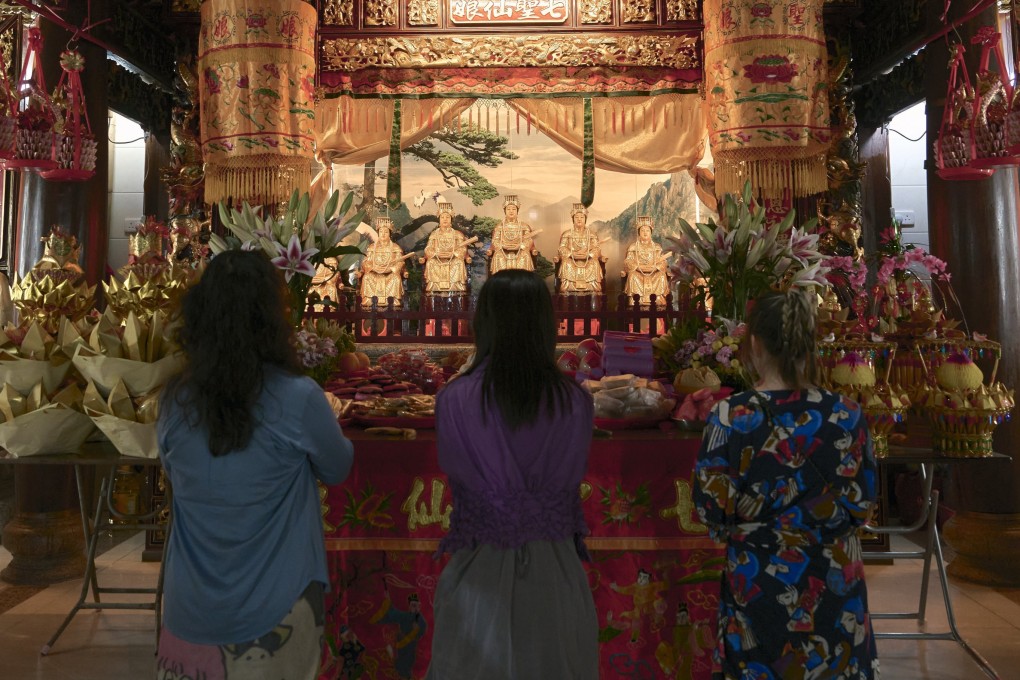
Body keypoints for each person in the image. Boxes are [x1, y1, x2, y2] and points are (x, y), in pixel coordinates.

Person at [156, 249, 354, 680]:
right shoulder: (299, 397)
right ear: (273, 318)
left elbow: (175, 476)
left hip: (191, 603)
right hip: (276, 606)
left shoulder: (175, 401)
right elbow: (338, 469)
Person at [693, 289, 879, 679]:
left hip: (757, 580)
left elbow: (710, 510)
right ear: (808, 344)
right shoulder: (847, 413)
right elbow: (862, 506)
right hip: (834, 580)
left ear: (755, 344)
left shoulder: (732, 414)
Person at [426, 269, 598, 680]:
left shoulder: (455, 399)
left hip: (479, 571)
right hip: (554, 573)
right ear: (546, 325)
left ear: (483, 323)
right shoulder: (575, 402)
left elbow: (454, 470)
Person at [422, 202, 471, 293]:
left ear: (451, 219)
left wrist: (454, 253)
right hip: (437, 258)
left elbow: (463, 249)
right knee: (431, 262)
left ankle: (456, 285)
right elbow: (428, 248)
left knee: (459, 262)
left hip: (453, 258)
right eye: (442, 217)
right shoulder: (434, 234)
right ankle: (434, 285)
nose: (445, 219)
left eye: (447, 217)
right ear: (439, 219)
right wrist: (436, 254)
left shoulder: (457, 234)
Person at [556, 202, 604, 294]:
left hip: (588, 259)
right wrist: (571, 254)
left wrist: (589, 254)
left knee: (594, 263)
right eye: (576, 217)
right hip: (571, 258)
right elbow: (562, 248)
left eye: (582, 217)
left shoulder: (592, 234)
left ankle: (592, 287)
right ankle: (568, 287)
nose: (579, 219)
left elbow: (597, 248)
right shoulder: (567, 234)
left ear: (585, 219)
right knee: (566, 263)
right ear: (572, 219)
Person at [358, 218, 406, 307]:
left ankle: (393, 301)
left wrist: (391, 269)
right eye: (381, 232)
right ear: (378, 233)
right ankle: (369, 301)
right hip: (375, 273)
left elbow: (400, 262)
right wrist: (373, 268)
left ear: (390, 234)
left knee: (396, 279)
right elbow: (365, 262)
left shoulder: (395, 248)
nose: (383, 234)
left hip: (389, 274)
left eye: (386, 232)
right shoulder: (372, 247)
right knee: (367, 278)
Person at [623, 216, 670, 304]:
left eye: (647, 230)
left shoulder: (657, 247)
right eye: (642, 230)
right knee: (632, 276)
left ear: (651, 232)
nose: (645, 233)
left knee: (661, 276)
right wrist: (637, 267)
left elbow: (663, 262)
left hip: (654, 273)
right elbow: (627, 261)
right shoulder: (633, 247)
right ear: (639, 232)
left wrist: (656, 267)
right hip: (638, 272)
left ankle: (659, 301)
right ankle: (636, 301)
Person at [488, 195, 537, 274]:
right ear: (505, 211)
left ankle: (523, 283)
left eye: (514, 209)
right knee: (498, 256)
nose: (511, 211)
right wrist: (502, 246)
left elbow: (529, 240)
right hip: (503, 250)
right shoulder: (499, 226)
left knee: (525, 255)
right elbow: (495, 240)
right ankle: (500, 282)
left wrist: (520, 246)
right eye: (508, 209)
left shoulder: (524, 226)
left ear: (517, 211)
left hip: (520, 250)